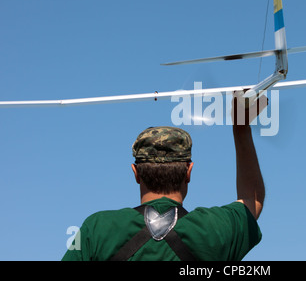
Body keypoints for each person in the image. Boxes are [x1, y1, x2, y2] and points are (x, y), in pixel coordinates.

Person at [62, 93, 267, 261]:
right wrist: (241, 128)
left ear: (136, 173)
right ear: (189, 172)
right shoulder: (216, 228)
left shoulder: (97, 229)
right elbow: (252, 200)